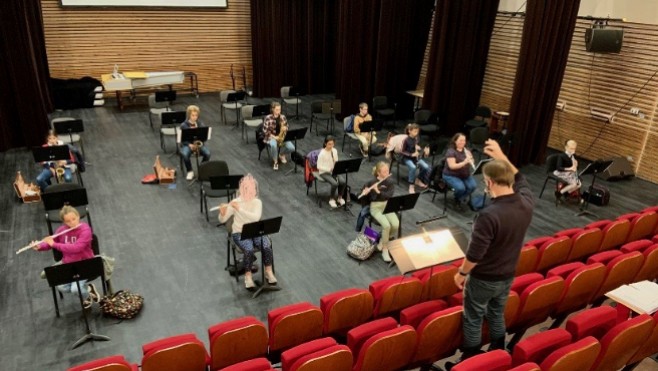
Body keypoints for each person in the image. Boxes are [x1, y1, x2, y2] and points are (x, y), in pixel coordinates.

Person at [449, 139, 534, 366]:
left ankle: (471, 361)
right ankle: (499, 353)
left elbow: (475, 254)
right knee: (496, 313)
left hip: (484, 278)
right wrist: (501, 156)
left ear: (490, 182)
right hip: (507, 274)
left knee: (474, 317)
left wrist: (461, 274)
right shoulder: (526, 202)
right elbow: (520, 178)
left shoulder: (489, 215)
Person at [32, 205, 99, 309]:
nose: (72, 222)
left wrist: (54, 244)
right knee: (62, 287)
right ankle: (89, 290)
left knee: (75, 289)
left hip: (85, 264)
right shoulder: (61, 230)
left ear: (78, 216)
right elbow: (50, 242)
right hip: (68, 264)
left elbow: (76, 248)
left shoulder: (85, 229)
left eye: (74, 218)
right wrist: (39, 246)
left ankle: (86, 296)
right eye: (68, 221)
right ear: (64, 222)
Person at [218, 174, 277, 290]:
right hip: (239, 233)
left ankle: (268, 271)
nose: (252, 192)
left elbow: (255, 218)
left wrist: (239, 209)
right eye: (249, 189)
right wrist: (222, 213)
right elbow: (223, 220)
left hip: (255, 230)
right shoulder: (235, 202)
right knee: (248, 249)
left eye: (253, 189)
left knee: (266, 245)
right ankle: (248, 276)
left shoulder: (257, 202)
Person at [359, 161, 397, 262]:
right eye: (384, 172)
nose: (387, 173)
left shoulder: (390, 182)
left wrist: (378, 191)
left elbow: (389, 196)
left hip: (387, 205)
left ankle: (382, 240)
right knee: (387, 226)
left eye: (387, 171)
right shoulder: (371, 182)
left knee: (396, 224)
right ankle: (385, 249)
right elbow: (365, 198)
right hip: (375, 207)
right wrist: (365, 192)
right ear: (378, 173)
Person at [442, 132, 477, 211]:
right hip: (451, 175)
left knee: (472, 186)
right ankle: (458, 199)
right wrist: (464, 162)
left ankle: (458, 198)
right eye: (460, 140)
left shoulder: (466, 150)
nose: (463, 142)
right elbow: (452, 166)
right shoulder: (451, 151)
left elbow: (472, 160)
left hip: (464, 174)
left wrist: (471, 160)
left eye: (464, 140)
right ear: (455, 141)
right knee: (461, 188)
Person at [179, 105, 211, 180]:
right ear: (189, 115)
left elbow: (204, 137)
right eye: (193, 115)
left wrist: (201, 142)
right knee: (185, 154)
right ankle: (190, 171)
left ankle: (201, 169)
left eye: (196, 115)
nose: (195, 117)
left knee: (208, 154)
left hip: (198, 144)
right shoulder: (184, 125)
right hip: (187, 144)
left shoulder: (200, 124)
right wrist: (189, 145)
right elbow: (181, 139)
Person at [262, 102, 295, 170]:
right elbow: (265, 131)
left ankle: (281, 154)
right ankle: (275, 162)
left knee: (292, 148)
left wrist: (285, 128)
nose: (278, 111)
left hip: (281, 137)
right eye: (277, 109)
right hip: (271, 137)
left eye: (279, 109)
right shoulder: (268, 118)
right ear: (273, 109)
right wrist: (274, 137)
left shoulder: (282, 117)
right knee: (273, 145)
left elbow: (287, 126)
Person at [316, 136, 346, 208]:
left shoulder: (334, 151)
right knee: (334, 183)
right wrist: (328, 169)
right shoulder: (322, 153)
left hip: (333, 171)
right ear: (325, 144)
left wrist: (335, 167)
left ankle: (340, 197)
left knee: (343, 182)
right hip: (324, 172)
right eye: (329, 144)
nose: (331, 146)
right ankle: (331, 199)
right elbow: (318, 166)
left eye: (332, 144)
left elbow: (336, 161)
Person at [400, 123, 430, 194]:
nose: (416, 133)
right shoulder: (406, 140)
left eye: (417, 132)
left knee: (426, 167)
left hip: (415, 158)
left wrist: (419, 148)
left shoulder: (416, 138)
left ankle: (418, 179)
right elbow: (402, 151)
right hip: (407, 158)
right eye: (415, 131)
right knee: (413, 167)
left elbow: (417, 147)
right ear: (409, 131)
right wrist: (411, 154)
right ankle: (411, 185)